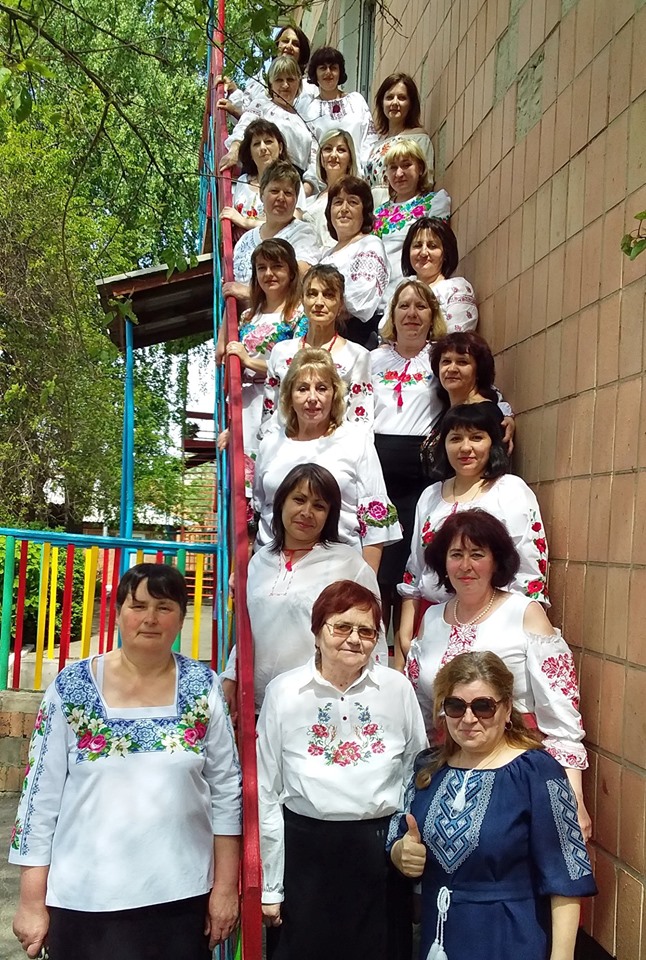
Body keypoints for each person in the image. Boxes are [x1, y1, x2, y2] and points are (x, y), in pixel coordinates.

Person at [10, 563, 242, 960]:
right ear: (117, 613)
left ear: (181, 619)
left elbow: (227, 792)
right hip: (85, 900)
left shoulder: (202, 687)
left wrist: (224, 889)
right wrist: (31, 901)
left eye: (164, 608)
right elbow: (38, 798)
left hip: (182, 899)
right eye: (138, 606)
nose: (150, 618)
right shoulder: (72, 686)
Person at [256, 579, 427, 960]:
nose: (354, 639)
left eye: (366, 631)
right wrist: (271, 886)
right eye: (342, 627)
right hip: (306, 857)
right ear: (318, 631)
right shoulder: (284, 692)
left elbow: (416, 775)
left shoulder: (397, 689)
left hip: (381, 855)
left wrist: (414, 876)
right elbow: (266, 791)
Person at [389, 651, 596, 960]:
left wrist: (562, 956)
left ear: (507, 708)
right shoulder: (428, 768)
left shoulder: (537, 772)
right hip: (440, 936)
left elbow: (566, 874)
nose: (468, 718)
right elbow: (398, 832)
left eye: (483, 706)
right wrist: (401, 852)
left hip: (510, 938)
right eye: (455, 706)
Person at [405, 510, 591, 835]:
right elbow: (420, 710)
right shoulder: (432, 620)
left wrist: (573, 795)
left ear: (496, 561)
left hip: (515, 771)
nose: (466, 566)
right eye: (456, 555)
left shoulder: (525, 613)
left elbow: (561, 713)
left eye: (477, 554)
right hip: (447, 771)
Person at [220, 464, 389, 717]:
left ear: (329, 515)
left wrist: (372, 701)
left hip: (324, 703)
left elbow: (374, 635)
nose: (307, 512)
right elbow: (248, 628)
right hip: (260, 705)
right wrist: (232, 675)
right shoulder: (258, 562)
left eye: (319, 506)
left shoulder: (348, 563)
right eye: (299, 500)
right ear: (281, 503)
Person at [398, 402, 550, 662]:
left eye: (477, 437)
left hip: (494, 625)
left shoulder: (510, 491)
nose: (465, 447)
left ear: (493, 443)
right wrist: (405, 633)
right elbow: (415, 571)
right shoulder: (430, 496)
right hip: (433, 624)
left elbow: (530, 573)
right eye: (455, 438)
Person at [253, 349, 401, 573]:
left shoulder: (356, 441)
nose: (312, 398)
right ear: (289, 396)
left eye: (322, 388)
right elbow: (258, 509)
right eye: (302, 389)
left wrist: (366, 582)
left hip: (336, 570)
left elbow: (375, 523)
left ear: (334, 394)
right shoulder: (270, 443)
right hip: (272, 568)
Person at [371, 280, 446, 636]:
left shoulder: (441, 356)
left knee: (410, 562)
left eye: (420, 306)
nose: (412, 314)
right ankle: (375, 646)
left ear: (432, 315)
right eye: (404, 306)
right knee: (379, 565)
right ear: (392, 314)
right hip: (378, 470)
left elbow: (476, 390)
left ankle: (406, 650)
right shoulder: (372, 359)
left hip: (421, 473)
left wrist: (504, 414)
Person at [217, 239, 303, 491]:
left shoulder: (299, 315)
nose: (269, 274)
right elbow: (223, 355)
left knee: (277, 481)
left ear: (291, 272)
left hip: (280, 403)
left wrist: (249, 360)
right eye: (261, 268)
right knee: (242, 485)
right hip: (246, 404)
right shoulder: (247, 317)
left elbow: (297, 366)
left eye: (277, 266)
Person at [262, 265, 373, 428]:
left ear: (341, 304)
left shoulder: (357, 356)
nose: (319, 302)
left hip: (336, 442)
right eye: (312, 294)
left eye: (328, 295)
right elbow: (269, 415)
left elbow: (361, 420)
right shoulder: (281, 351)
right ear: (302, 300)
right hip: (285, 440)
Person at [373, 139, 451, 310]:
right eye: (393, 167)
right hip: (379, 302)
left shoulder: (434, 202)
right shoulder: (378, 214)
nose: (399, 173)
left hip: (416, 297)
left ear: (420, 168)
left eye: (406, 165)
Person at [228, 160, 318, 297]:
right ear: (262, 194)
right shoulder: (244, 240)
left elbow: (299, 279)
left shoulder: (304, 234)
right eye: (274, 191)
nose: (281, 198)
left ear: (296, 199)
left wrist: (250, 293)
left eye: (288, 193)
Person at [319, 175, 389, 347]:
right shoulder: (325, 255)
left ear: (364, 212)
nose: (344, 209)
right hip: (324, 335)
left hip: (354, 337)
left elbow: (361, 300)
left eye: (352, 202)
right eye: (338, 202)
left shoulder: (370, 244)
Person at [221, 57, 314, 178]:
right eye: (279, 80)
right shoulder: (262, 105)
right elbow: (243, 127)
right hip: (263, 176)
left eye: (290, 79)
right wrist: (234, 151)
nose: (285, 85)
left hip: (295, 181)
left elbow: (312, 159)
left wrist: (308, 184)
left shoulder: (305, 119)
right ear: (271, 84)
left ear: (299, 83)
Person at [219, 120, 307, 233]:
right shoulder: (242, 181)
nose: (263, 148)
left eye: (268, 141)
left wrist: (244, 222)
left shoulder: (291, 181)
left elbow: (292, 222)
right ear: (250, 153)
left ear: (280, 148)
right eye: (256, 144)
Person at [301, 46, 377, 173]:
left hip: (358, 176)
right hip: (325, 179)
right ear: (315, 74)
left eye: (333, 68)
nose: (328, 72)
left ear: (340, 72)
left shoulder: (356, 101)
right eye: (322, 68)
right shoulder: (310, 110)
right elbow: (312, 153)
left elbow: (369, 139)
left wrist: (364, 172)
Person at [217, 26, 317, 119]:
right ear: (276, 46)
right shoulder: (259, 81)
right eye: (285, 41)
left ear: (302, 53)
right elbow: (245, 116)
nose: (289, 46)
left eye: (295, 44)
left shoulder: (309, 89)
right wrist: (233, 91)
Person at [365, 73, 434, 206]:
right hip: (373, 209)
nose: (395, 102)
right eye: (389, 97)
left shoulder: (418, 138)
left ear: (411, 104)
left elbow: (426, 183)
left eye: (402, 98)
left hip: (401, 209)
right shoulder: (376, 145)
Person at [402, 216, 478, 331]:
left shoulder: (456, 288)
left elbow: (457, 336)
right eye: (417, 245)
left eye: (432, 246)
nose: (423, 253)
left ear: (446, 254)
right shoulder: (401, 289)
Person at [303, 128, 359, 248]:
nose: (333, 155)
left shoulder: (356, 197)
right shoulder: (310, 201)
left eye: (341, 150)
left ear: (350, 159)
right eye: (328, 149)